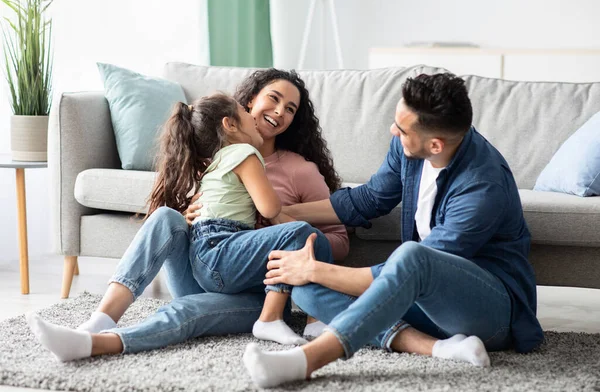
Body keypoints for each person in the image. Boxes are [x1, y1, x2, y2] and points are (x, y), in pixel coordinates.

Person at [242, 73, 545, 388]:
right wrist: (279, 213)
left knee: (411, 257)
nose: (392, 130)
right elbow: (368, 198)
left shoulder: (482, 186)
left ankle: (308, 360)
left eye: (401, 129)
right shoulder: (411, 144)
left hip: (489, 313)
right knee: (305, 291)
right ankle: (441, 348)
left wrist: (315, 268)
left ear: (435, 144)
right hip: (427, 306)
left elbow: (411, 268)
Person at [25, 69, 348, 362]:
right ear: (249, 103)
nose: (280, 112)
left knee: (185, 311)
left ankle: (93, 345)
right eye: (274, 99)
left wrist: (279, 225)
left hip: (254, 295)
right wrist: (188, 213)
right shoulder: (215, 160)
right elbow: (202, 222)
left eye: (290, 109)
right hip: (207, 265)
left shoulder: (300, 170)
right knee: (167, 217)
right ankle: (100, 319)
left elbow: (338, 241)